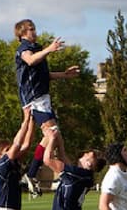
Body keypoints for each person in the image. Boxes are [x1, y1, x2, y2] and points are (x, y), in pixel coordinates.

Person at [14, 19, 80, 198]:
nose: (34, 32)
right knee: (52, 134)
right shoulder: (24, 49)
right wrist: (49, 50)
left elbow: (44, 75)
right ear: (22, 34)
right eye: (30, 30)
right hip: (34, 100)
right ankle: (59, 174)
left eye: (34, 29)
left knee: (57, 138)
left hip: (43, 97)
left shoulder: (37, 49)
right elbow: (30, 61)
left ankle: (45, 173)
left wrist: (65, 75)